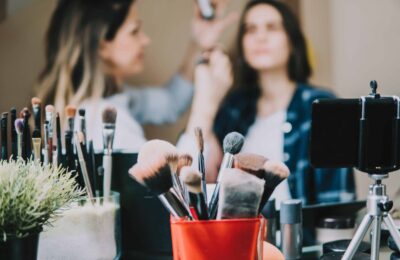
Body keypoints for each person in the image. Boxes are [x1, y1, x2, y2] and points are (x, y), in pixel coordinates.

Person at [180, 0, 356, 206]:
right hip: (237, 235)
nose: (260, 37)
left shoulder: (320, 106)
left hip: (301, 237)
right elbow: (193, 187)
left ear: (292, 40)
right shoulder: (234, 108)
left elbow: (336, 207)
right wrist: (206, 101)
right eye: (250, 29)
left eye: (271, 28)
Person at [36, 0, 237, 150]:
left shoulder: (119, 98)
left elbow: (170, 103)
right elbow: (174, 189)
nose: (145, 40)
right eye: (135, 31)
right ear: (102, 45)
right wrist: (206, 107)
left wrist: (198, 42)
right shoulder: (101, 120)